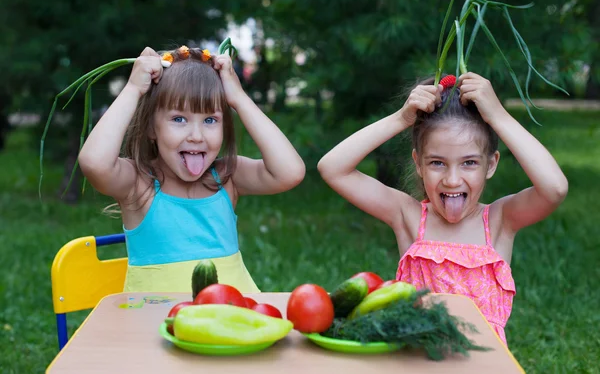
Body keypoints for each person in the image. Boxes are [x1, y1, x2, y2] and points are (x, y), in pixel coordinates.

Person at [317, 72, 568, 345]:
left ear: (491, 164)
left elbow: (554, 188)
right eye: (437, 163)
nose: (451, 179)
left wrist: (499, 116)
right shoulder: (408, 216)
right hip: (418, 362)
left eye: (469, 163)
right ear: (418, 163)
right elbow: (332, 168)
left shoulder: (500, 221)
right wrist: (400, 119)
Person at [78, 45, 306, 294]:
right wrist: (133, 89)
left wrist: (239, 99)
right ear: (152, 129)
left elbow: (290, 172)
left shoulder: (227, 177)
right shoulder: (137, 184)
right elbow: (94, 163)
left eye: (210, 120)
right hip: (154, 327)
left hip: (231, 322)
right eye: (179, 119)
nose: (196, 136)